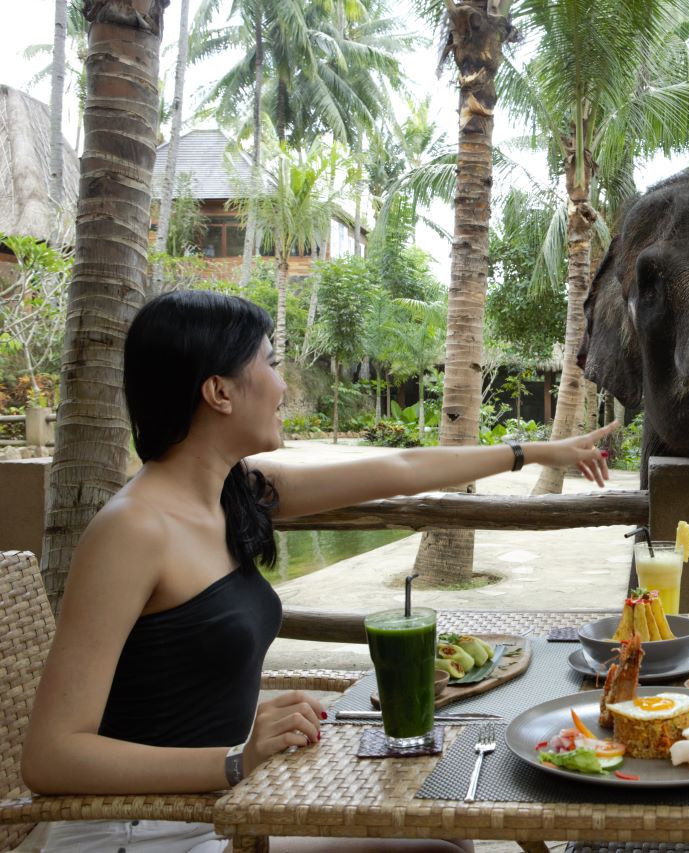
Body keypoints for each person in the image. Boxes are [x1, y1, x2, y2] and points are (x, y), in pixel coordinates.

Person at [20, 289, 618, 852]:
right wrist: (236, 758)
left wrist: (534, 451)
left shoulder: (234, 493)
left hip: (224, 813)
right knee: (435, 845)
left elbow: (401, 469)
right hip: (144, 833)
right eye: (270, 363)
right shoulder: (133, 530)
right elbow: (51, 756)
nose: (283, 385)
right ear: (219, 392)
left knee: (442, 829)